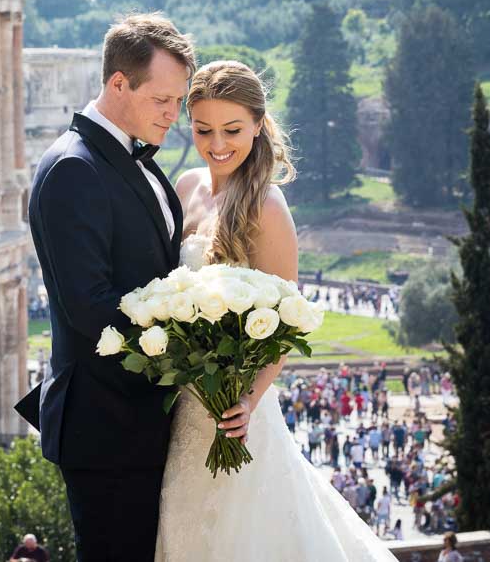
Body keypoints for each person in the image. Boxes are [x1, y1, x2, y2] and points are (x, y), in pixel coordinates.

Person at [154, 60, 396, 561]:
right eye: (203, 129)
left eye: (232, 130)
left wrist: (249, 401)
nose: (217, 143)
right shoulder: (185, 188)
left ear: (259, 125)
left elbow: (284, 326)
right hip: (183, 406)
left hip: (237, 413)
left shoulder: (267, 206)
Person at [15, 13, 197, 560]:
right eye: (163, 99)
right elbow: (90, 308)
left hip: (144, 422)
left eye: (179, 101)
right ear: (119, 83)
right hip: (108, 428)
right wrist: (190, 361)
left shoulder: (126, 156)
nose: (174, 114)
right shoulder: (74, 168)